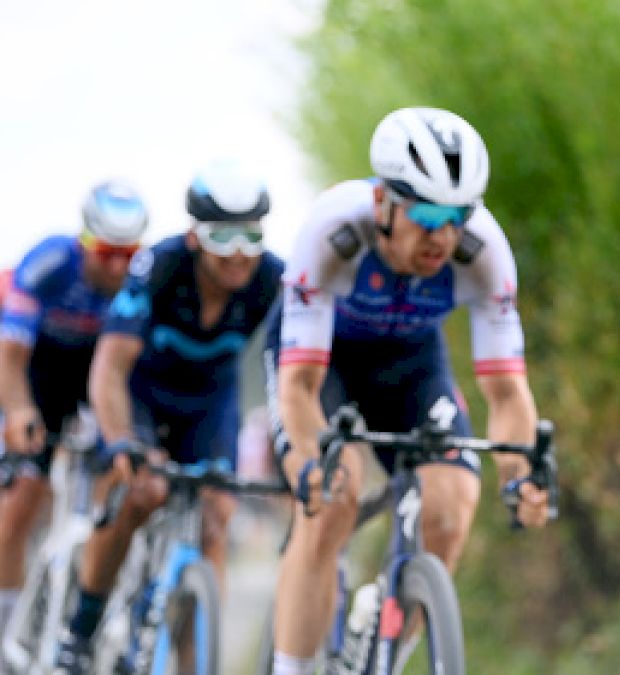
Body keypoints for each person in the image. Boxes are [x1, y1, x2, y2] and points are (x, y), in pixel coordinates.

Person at [264, 106, 550, 675]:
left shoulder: (482, 250)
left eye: (457, 215)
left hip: (412, 364)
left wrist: (521, 477)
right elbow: (297, 386)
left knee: (450, 507)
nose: (443, 234)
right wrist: (307, 465)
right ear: (383, 205)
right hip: (325, 364)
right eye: (426, 213)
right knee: (332, 498)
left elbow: (506, 392)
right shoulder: (333, 233)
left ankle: (386, 657)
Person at [54, 160, 284, 673]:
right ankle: (82, 629)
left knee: (217, 517)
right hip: (140, 397)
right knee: (143, 492)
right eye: (223, 238)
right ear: (195, 237)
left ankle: (194, 658)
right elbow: (109, 368)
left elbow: (296, 369)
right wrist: (121, 443)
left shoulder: (271, 278)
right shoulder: (159, 266)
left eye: (251, 236)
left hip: (209, 406)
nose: (239, 253)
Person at [0, 181, 149, 638]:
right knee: (23, 492)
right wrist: (20, 412)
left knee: (123, 466)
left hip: (97, 373)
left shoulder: (140, 281)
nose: (118, 265)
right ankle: (6, 619)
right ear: (85, 240)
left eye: (129, 253)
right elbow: (9, 357)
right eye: (107, 252)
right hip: (39, 369)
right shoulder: (50, 262)